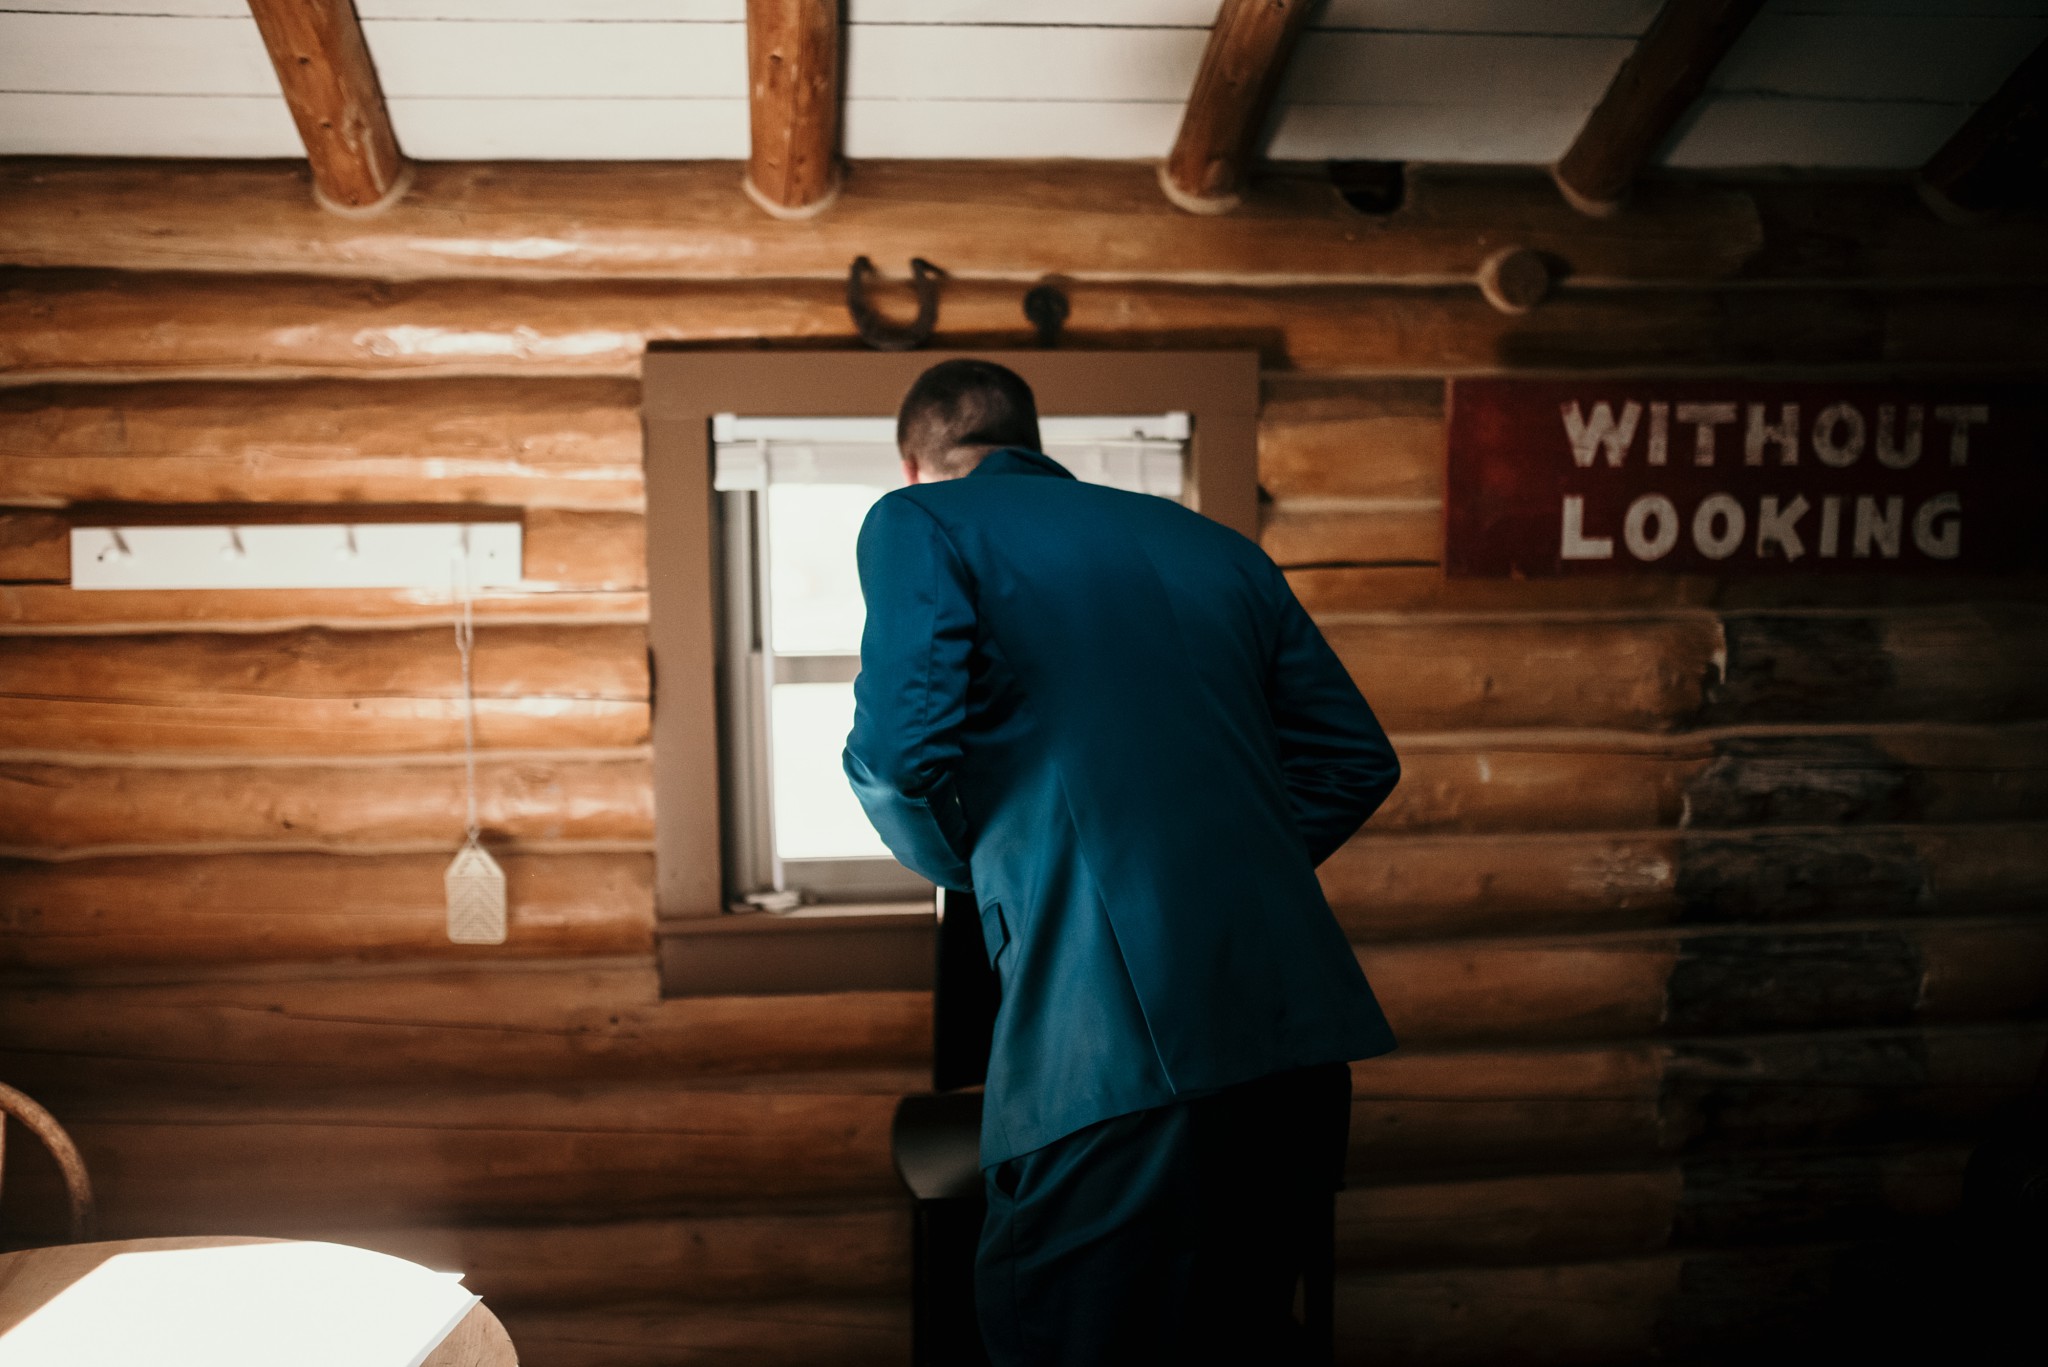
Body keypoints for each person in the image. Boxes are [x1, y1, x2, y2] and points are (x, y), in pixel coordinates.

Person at [844, 358, 1400, 1365]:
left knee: (1059, 1332)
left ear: (914, 461)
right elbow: (1353, 760)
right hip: (1293, 1043)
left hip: (1111, 1049)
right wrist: (1224, 869)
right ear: (1032, 438)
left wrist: (987, 881)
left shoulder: (920, 523)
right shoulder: (1217, 549)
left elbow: (899, 760)